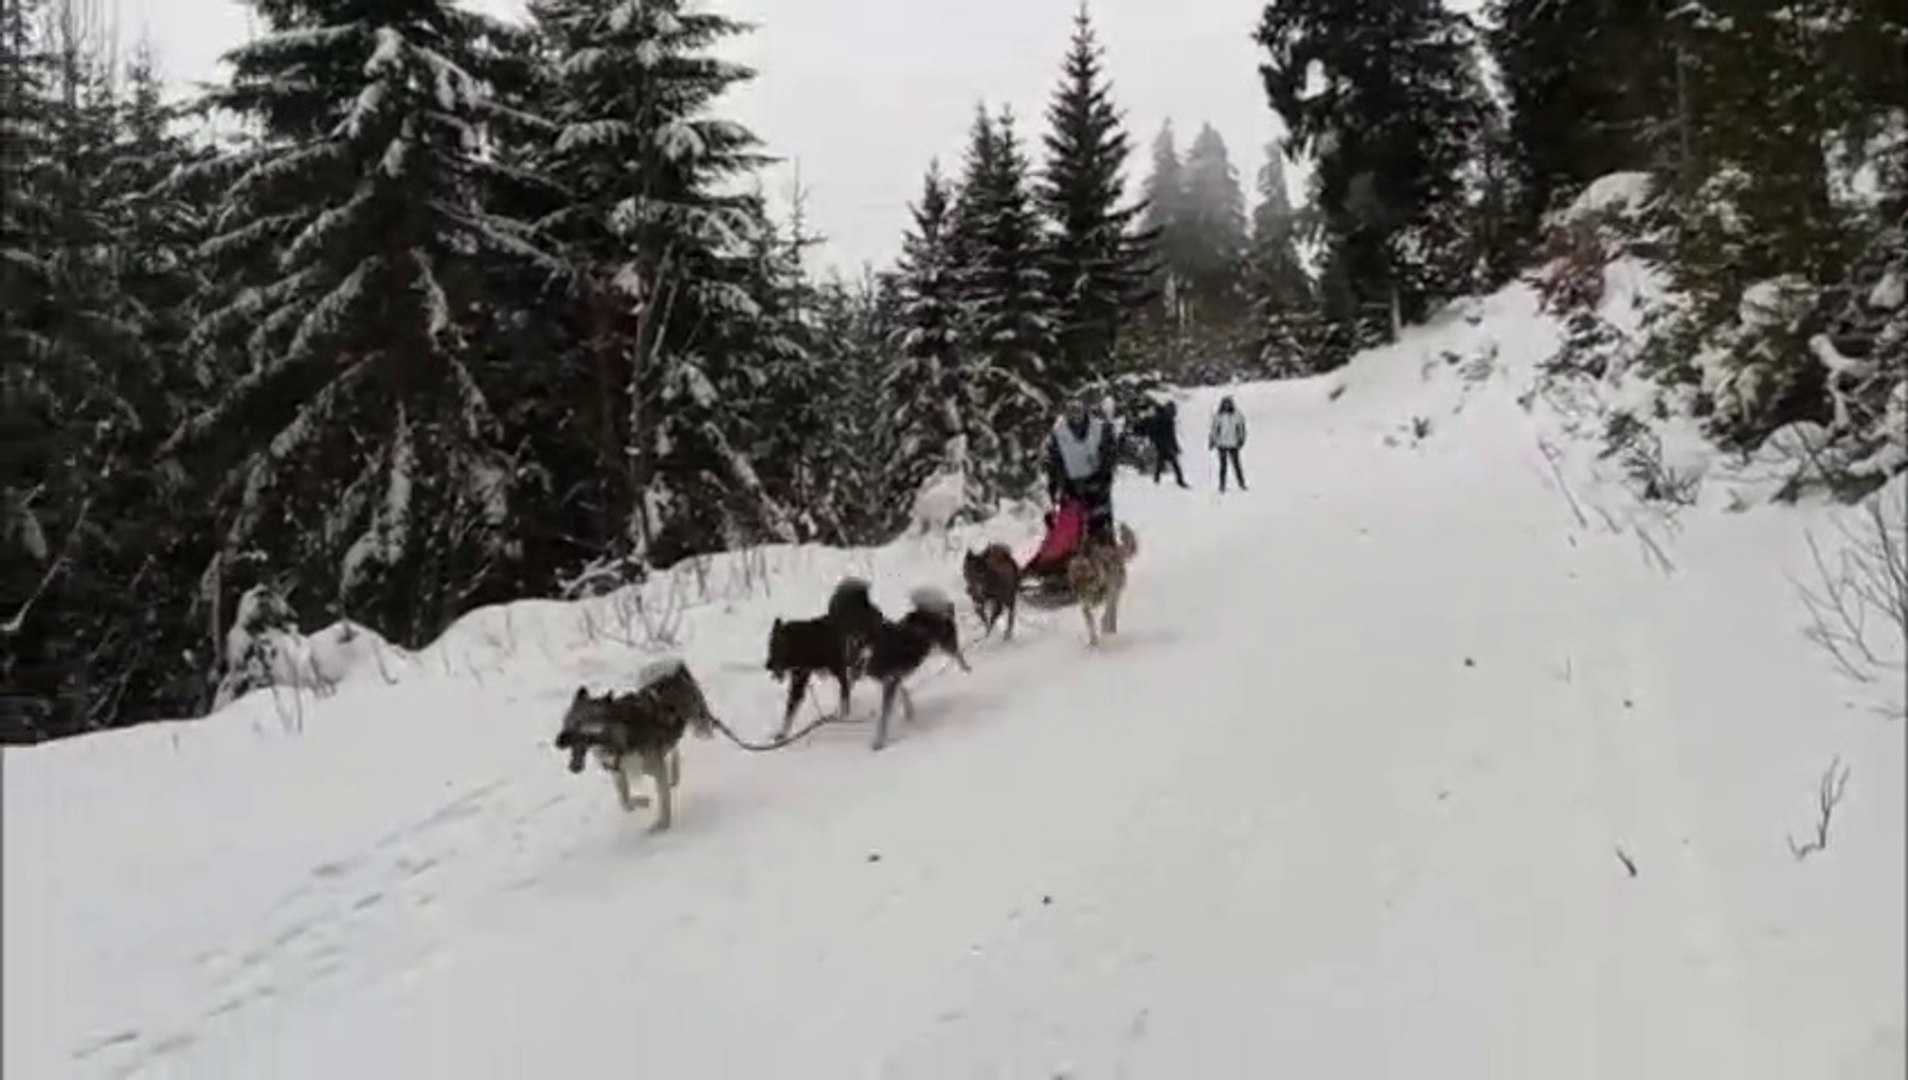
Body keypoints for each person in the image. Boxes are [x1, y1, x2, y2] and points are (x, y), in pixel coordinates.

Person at [1024, 398, 1119, 579]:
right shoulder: (1059, 433)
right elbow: (1054, 465)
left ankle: (1108, 565)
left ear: (1085, 412)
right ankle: (1063, 564)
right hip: (1072, 487)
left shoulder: (1099, 428)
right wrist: (1054, 492)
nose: (1075, 417)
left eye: (1078, 412)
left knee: (1100, 526)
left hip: (1098, 484)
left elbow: (1109, 456)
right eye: (1071, 413)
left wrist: (1102, 481)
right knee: (1068, 527)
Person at [1143, 399, 1189, 488]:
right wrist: (1175, 446)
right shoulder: (1167, 419)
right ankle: (1180, 481)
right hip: (1166, 444)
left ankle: (1157, 480)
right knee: (1174, 464)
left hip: (1161, 444)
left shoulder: (1160, 417)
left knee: (1160, 462)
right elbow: (1171, 435)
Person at [1210, 395, 1247, 493]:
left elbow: (1241, 428)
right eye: (1225, 404)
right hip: (1221, 443)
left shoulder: (1237, 415)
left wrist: (1241, 439)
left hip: (1233, 443)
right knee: (1223, 466)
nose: (1226, 406)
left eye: (1228, 404)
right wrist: (1212, 440)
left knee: (1236, 464)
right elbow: (1214, 429)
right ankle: (1222, 485)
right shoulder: (1218, 416)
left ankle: (1241, 483)